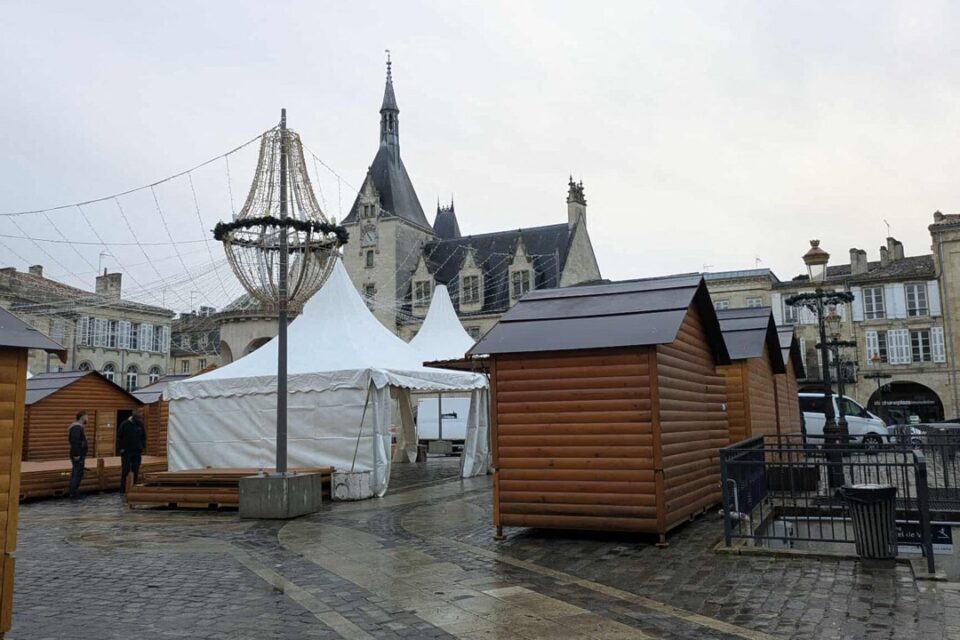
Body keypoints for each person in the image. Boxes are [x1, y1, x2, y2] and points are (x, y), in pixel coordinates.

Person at [118, 408, 146, 493]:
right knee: (125, 469)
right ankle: (123, 489)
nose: (139, 417)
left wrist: (142, 446)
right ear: (133, 415)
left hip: (137, 450)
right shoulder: (125, 424)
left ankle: (133, 487)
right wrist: (121, 448)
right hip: (127, 451)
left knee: (136, 469)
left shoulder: (140, 424)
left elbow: (144, 436)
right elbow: (119, 437)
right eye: (138, 414)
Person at [68, 411, 88, 500]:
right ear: (82, 417)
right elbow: (74, 441)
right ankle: (73, 494)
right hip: (78, 454)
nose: (88, 418)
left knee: (77, 472)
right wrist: (76, 454)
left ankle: (74, 492)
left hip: (80, 453)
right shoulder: (76, 427)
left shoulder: (79, 427)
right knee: (77, 473)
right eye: (87, 416)